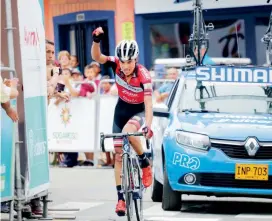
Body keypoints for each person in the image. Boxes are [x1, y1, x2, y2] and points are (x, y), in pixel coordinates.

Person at [91, 27, 153, 216]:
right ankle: (120, 199)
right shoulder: (115, 64)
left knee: (128, 132)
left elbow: (149, 104)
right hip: (121, 110)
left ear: (136, 59)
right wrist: (96, 40)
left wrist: (148, 125)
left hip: (139, 110)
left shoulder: (143, 75)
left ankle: (144, 162)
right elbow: (97, 57)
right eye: (123, 62)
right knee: (118, 155)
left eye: (130, 61)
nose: (125, 66)